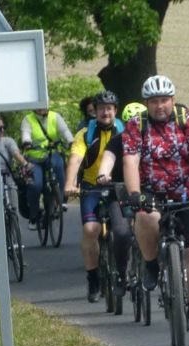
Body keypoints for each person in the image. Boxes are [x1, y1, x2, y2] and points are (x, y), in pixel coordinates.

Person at [123, 75, 189, 334]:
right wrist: (135, 193)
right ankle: (151, 263)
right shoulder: (136, 125)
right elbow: (130, 161)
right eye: (154, 101)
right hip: (152, 192)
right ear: (146, 103)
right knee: (145, 216)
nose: (159, 106)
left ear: (173, 100)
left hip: (186, 191)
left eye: (164, 100)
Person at [64, 90, 131, 304]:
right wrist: (69, 184)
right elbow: (75, 159)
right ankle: (93, 278)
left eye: (109, 109)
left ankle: (124, 270)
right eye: (101, 109)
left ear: (115, 111)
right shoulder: (85, 134)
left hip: (117, 186)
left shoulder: (124, 131)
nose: (105, 113)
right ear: (95, 111)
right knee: (91, 230)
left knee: (124, 229)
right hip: (91, 187)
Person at [21, 106, 74, 229]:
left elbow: (65, 131)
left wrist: (71, 141)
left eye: (43, 106)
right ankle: (34, 215)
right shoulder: (28, 119)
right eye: (38, 106)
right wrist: (26, 142)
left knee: (59, 165)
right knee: (35, 185)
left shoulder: (55, 117)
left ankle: (61, 199)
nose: (41, 108)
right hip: (34, 157)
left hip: (51, 153)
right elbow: (26, 132)